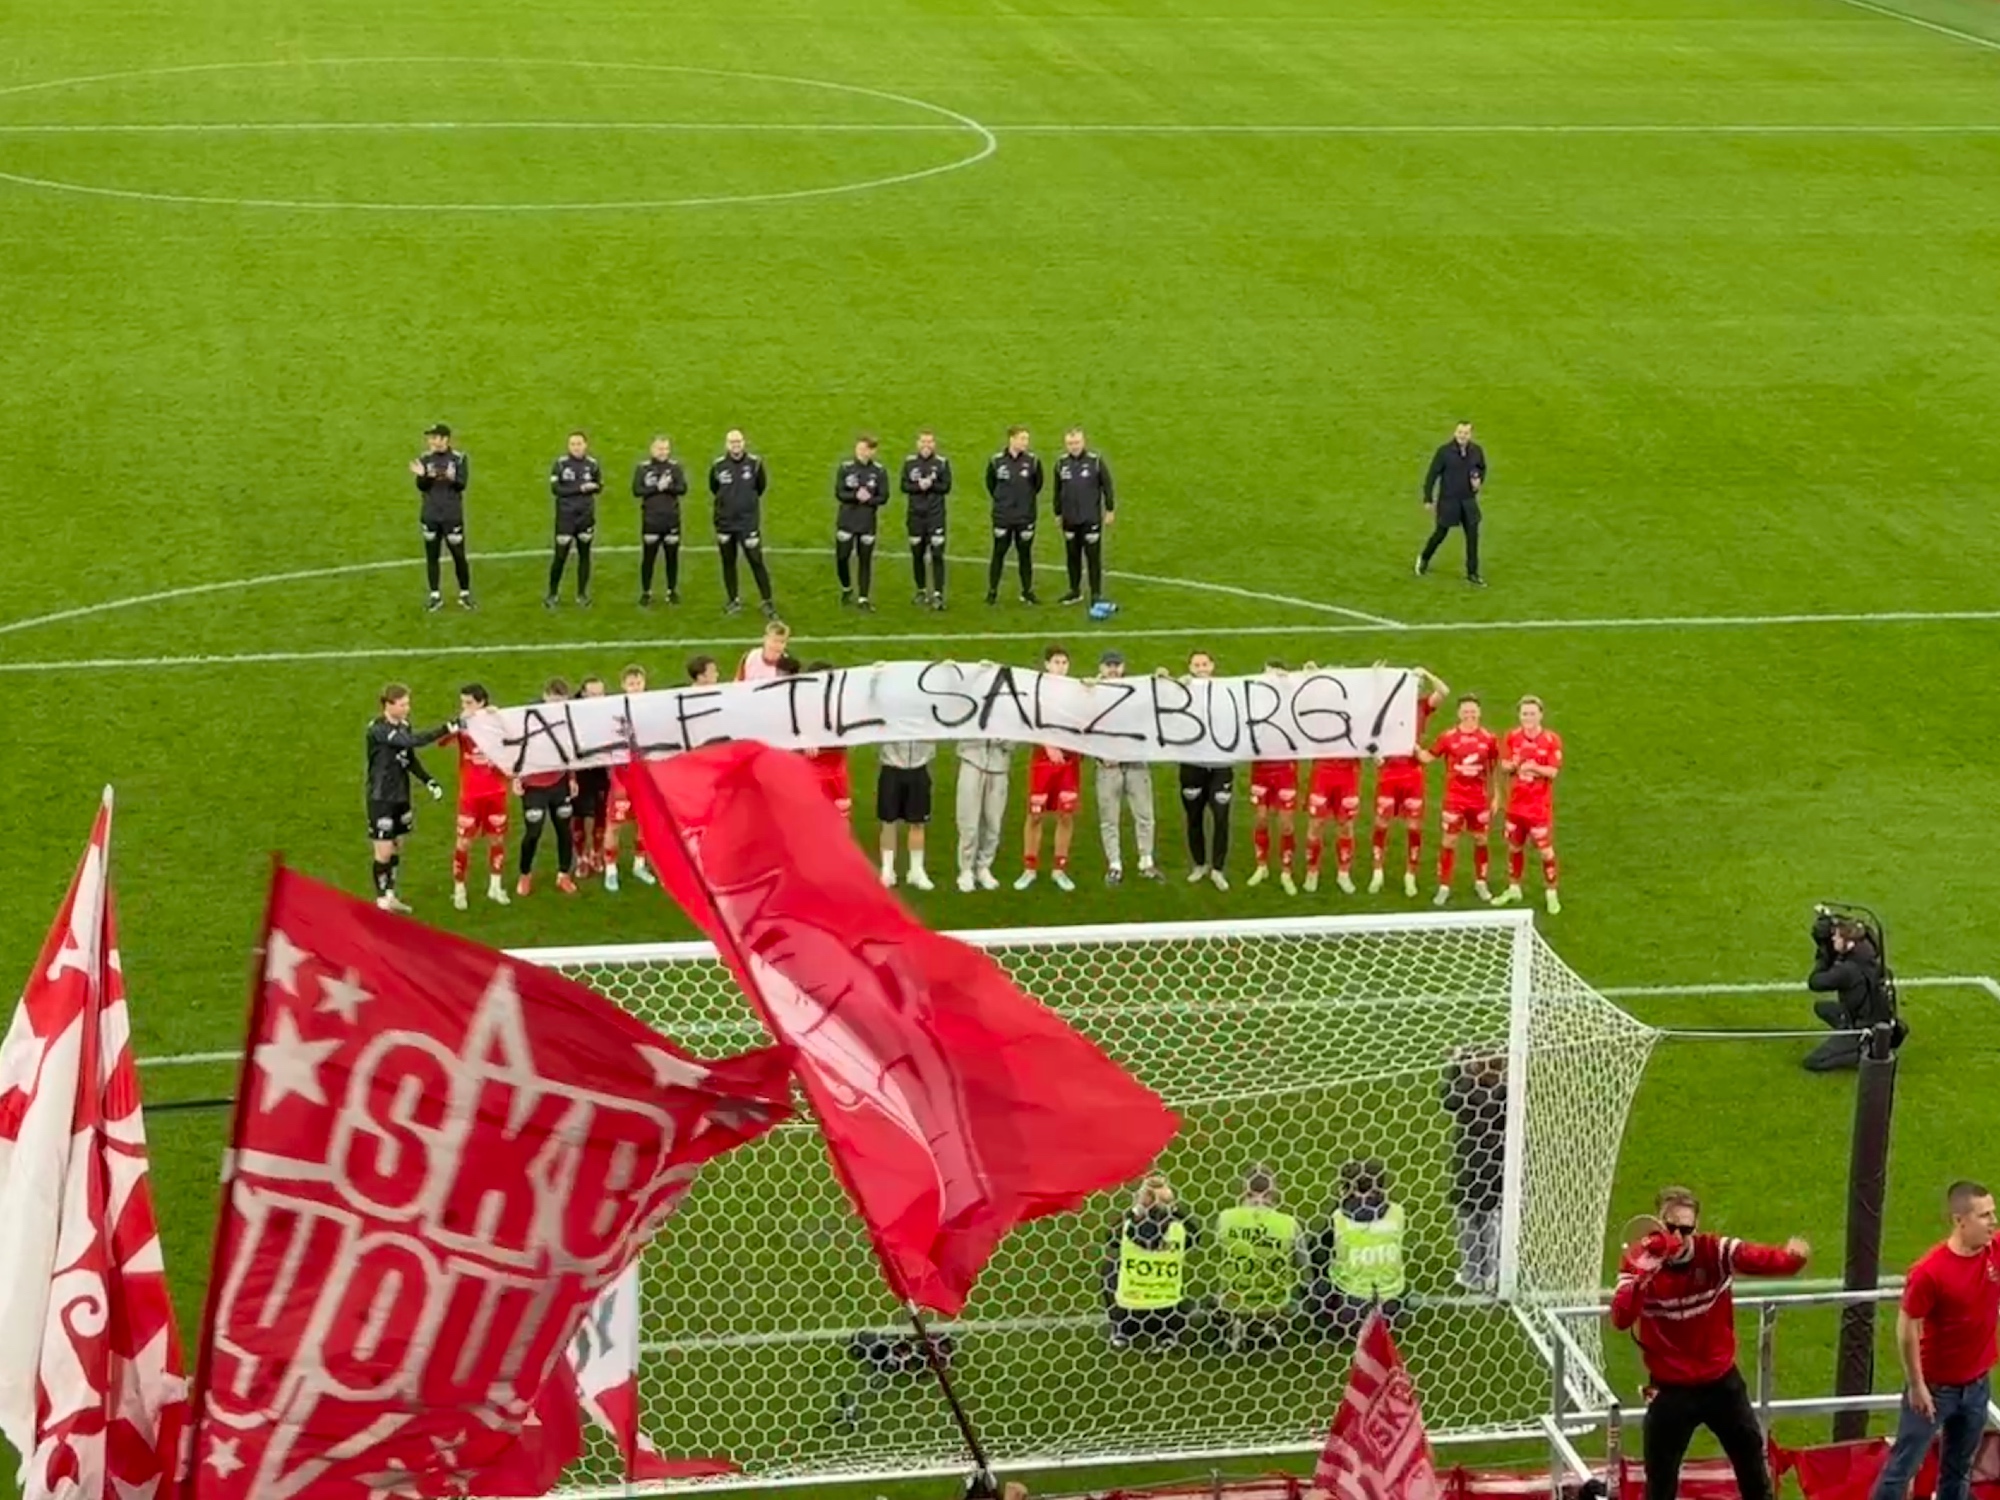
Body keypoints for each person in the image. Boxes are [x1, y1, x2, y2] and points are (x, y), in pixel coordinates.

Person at [1609, 1186, 1809, 1500]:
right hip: (1669, 1389)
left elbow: (1760, 1259)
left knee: (1753, 1467)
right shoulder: (1638, 1260)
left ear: (1696, 1227)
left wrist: (1792, 1259)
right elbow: (1621, 1318)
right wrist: (1642, 1278)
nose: (1678, 1236)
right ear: (1657, 1224)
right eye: (1670, 1228)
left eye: (1686, 1229)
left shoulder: (1714, 1252)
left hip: (1721, 1384)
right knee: (1659, 1482)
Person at [1869, 1181, 2000, 1500]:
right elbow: (1907, 1328)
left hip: (1977, 1385)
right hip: (1935, 1389)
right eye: (1984, 1215)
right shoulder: (1929, 1272)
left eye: (1993, 1213)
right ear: (1960, 1220)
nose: (1993, 1222)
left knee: (1959, 1470)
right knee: (1902, 1469)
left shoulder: (1993, 1251)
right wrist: (1917, 1386)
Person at [365, 684, 450, 913]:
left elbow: (408, 758)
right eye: (402, 705)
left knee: (396, 847)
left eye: (407, 703)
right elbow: (411, 742)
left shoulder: (404, 726)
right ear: (388, 705)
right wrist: (446, 729)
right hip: (381, 797)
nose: (407, 708)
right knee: (383, 852)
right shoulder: (378, 729)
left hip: (401, 795)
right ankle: (381, 900)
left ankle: (390, 894)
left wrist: (428, 781)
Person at [1370, 666, 1448, 897]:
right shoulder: (1384, 707)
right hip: (1388, 774)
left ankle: (1410, 875)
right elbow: (1368, 735)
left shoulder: (1422, 706)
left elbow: (1443, 691)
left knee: (1414, 827)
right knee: (1381, 824)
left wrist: (1427, 673)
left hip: (1413, 775)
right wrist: (1376, 676)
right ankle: (1377, 872)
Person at [1308, 1160, 1406, 1343]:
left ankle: (1323, 1330)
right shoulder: (1397, 1212)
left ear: (1346, 1188)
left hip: (1352, 1313)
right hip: (1393, 1311)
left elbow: (1317, 1254)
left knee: (1318, 1284)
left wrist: (1342, 1203)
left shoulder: (1339, 1218)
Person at [1102, 1173, 1201, 1352]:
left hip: (1130, 1315)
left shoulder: (1126, 1228)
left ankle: (1121, 1332)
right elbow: (1195, 1236)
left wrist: (1137, 1209)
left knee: (1111, 1266)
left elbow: (1110, 1238)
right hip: (1168, 1316)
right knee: (1186, 1292)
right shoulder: (1179, 1230)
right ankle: (1168, 1337)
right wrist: (1173, 1208)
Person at [1213, 1166, 1307, 1352]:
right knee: (1300, 1296)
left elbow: (1219, 1252)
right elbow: (1303, 1264)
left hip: (1233, 1301)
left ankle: (1237, 1324)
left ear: (1244, 1190)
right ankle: (1268, 1326)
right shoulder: (1289, 1223)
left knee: (1214, 1294)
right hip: (1276, 1304)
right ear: (1274, 1191)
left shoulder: (1225, 1218)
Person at [1421, 694, 1501, 905]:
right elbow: (1427, 757)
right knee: (1449, 841)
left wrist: (1497, 795)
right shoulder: (1448, 737)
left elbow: (1494, 768)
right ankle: (1444, 886)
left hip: (1479, 799)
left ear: (1479, 712)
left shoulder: (1489, 738)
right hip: (1455, 799)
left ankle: (1481, 882)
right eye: (1465, 711)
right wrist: (1410, 747)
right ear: (1459, 713)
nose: (1469, 715)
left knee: (1481, 839)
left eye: (1473, 711)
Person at [1092, 651, 1161, 885]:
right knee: (1109, 818)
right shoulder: (1090, 693)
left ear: (1123, 667)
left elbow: (1153, 714)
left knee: (1144, 814)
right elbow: (1084, 730)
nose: (1113, 669)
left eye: (1116, 665)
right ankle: (1114, 864)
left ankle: (1146, 861)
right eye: (1108, 665)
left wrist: (1161, 677)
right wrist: (1100, 754)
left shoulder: (1138, 690)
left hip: (1136, 763)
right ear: (1101, 668)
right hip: (1107, 766)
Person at [1015, 645, 1079, 891]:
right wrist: (1048, 745)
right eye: (1056, 662)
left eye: (1064, 662)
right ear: (1047, 665)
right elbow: (1029, 721)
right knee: (1035, 815)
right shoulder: (1037, 690)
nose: (1061, 667)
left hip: (1068, 764)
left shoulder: (1076, 692)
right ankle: (1029, 868)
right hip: (1042, 763)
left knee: (1066, 815)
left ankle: (1059, 869)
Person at [442, 683, 510, 910]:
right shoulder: (463, 725)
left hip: (496, 792)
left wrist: (499, 718)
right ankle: (459, 889)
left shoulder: (495, 723)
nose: (465, 707)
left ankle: (495, 887)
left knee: (497, 840)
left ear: (481, 702)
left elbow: (516, 740)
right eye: (463, 703)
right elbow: (442, 742)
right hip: (470, 795)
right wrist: (458, 723)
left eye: (469, 703)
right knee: (463, 842)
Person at [1442, 1050, 1506, 1291]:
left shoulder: (1467, 1093)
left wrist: (1456, 1065)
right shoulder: (1505, 1093)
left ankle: (1472, 1275)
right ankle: (1492, 1272)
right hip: (1498, 1163)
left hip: (1470, 1165)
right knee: (1492, 1218)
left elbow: (1448, 1097)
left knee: (1469, 1219)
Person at [1804, 915, 1902, 1072]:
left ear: (1849, 943)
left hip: (1864, 1030)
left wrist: (1823, 951)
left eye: (1836, 937)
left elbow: (1815, 982)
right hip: (1880, 1022)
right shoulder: (1869, 956)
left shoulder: (1848, 970)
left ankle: (1865, 1049)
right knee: (1822, 1008)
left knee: (1814, 1062)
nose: (1833, 939)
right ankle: (1873, 1039)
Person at [1493, 695, 1563, 913]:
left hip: (1538, 808)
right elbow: (1503, 765)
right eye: (1524, 714)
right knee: (1514, 847)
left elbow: (1553, 771)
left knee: (1546, 852)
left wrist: (1534, 768)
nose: (1528, 718)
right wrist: (1513, 765)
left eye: (1532, 713)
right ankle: (1514, 888)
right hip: (1515, 806)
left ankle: (1551, 893)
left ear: (1540, 715)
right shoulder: (1512, 737)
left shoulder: (1551, 740)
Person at [1174, 649, 1233, 891]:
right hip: (1192, 765)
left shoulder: (1227, 691)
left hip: (1220, 765)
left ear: (1212, 666)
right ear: (1190, 668)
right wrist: (1175, 686)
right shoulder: (1181, 691)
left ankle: (1218, 869)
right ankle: (1199, 864)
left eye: (1204, 664)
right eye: (1196, 665)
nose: (1201, 669)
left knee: (1221, 818)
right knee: (1194, 817)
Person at [515, 677, 579, 898]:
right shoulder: (529, 719)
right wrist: (517, 777)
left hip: (559, 783)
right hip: (534, 786)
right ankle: (525, 874)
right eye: (554, 702)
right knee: (533, 833)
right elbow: (516, 749)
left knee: (564, 830)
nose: (557, 707)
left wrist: (572, 778)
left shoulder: (566, 719)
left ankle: (563, 874)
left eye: (561, 702)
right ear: (545, 697)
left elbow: (570, 750)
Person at [599, 665, 656, 891]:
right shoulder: (615, 711)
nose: (636, 687)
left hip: (645, 777)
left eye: (639, 683)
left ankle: (639, 865)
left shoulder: (652, 708)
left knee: (644, 824)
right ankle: (610, 869)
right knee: (614, 824)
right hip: (622, 778)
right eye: (631, 684)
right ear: (623, 685)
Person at [1247, 661, 1302, 894]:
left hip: (1285, 772)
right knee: (1261, 819)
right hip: (1261, 771)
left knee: (1286, 824)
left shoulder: (1293, 703)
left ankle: (1286, 872)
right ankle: (1261, 866)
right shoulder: (1254, 703)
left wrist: (1292, 681)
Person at [710, 428, 777, 618]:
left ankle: (767, 601)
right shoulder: (718, 466)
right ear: (727, 444)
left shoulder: (755, 464)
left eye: (738, 441)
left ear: (744, 443)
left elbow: (760, 487)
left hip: (747, 523)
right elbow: (715, 489)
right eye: (732, 442)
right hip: (725, 523)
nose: (736, 445)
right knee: (728, 562)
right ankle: (733, 600)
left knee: (756, 561)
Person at [410, 422, 472, 612]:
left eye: (435, 437)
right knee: (432, 556)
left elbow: (462, 484)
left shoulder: (459, 459)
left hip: (451, 515)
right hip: (430, 514)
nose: (431, 441)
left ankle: (465, 593)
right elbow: (421, 486)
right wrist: (424, 476)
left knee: (459, 556)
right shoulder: (425, 458)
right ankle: (435, 595)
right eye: (430, 438)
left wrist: (449, 476)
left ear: (445, 439)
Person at [1417, 421, 1488, 587]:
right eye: (1460, 432)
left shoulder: (1476, 451)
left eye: (1466, 433)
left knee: (1472, 536)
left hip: (1468, 501)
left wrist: (1479, 480)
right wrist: (1428, 498)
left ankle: (1472, 573)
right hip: (1449, 501)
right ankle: (1424, 558)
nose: (1462, 436)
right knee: (1440, 533)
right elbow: (1432, 475)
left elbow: (1481, 468)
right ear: (1455, 433)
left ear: (1470, 434)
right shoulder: (1444, 452)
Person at [1053, 427, 1115, 608]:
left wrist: (1110, 510)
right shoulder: (1061, 464)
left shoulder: (1095, 461)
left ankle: (1096, 593)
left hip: (1090, 518)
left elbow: (1107, 486)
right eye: (1070, 443)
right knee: (1072, 557)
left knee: (1093, 558)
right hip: (1070, 519)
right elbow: (1057, 490)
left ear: (1083, 442)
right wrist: (1058, 513)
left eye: (1077, 442)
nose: (1074, 446)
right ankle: (1074, 591)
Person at [984, 426, 1043, 606]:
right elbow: (991, 484)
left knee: (1025, 555)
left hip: (1025, 517)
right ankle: (992, 591)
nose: (1025, 442)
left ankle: (1027, 591)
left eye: (1026, 439)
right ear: (1012, 439)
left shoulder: (1033, 462)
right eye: (1022, 439)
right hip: (1003, 516)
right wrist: (1003, 502)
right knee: (998, 553)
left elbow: (1037, 485)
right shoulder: (996, 461)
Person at [955, 708, 1012, 893]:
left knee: (993, 822)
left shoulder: (1009, 702)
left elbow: (1019, 730)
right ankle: (966, 870)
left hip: (1000, 765)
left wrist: (1003, 739)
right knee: (968, 820)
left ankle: (984, 867)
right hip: (971, 760)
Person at [545, 430, 602, 608]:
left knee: (584, 555)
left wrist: (594, 487)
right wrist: (581, 489)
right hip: (566, 517)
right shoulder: (560, 464)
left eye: (579, 444)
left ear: (585, 445)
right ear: (568, 446)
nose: (576, 447)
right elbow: (556, 489)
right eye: (573, 444)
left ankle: (582, 594)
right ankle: (552, 593)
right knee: (560, 556)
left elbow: (599, 486)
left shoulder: (592, 464)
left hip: (585, 516)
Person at [833, 435, 890, 611]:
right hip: (847, 520)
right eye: (859, 448)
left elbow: (884, 497)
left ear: (872, 452)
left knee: (865, 560)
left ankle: (863, 598)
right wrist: (855, 496)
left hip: (867, 521)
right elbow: (839, 493)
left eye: (865, 449)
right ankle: (846, 587)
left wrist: (869, 499)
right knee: (842, 557)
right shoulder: (846, 468)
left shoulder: (879, 472)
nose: (860, 452)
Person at [632, 435, 688, 607]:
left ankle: (671, 591)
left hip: (671, 519)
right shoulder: (643, 468)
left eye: (665, 448)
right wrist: (657, 487)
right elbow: (637, 490)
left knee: (672, 558)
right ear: (652, 450)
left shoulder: (675, 468)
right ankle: (646, 592)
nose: (663, 452)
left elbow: (682, 488)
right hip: (651, 520)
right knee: (648, 558)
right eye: (659, 448)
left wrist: (668, 486)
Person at [901, 429, 952, 609]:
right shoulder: (909, 463)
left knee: (937, 554)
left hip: (935, 516)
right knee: (917, 554)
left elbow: (946, 487)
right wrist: (918, 486)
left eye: (929, 442)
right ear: (918, 444)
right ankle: (921, 590)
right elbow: (904, 486)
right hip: (915, 515)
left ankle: (938, 594)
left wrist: (932, 485)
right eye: (923, 441)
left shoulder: (942, 463)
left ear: (934, 444)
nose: (926, 445)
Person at [876, 736, 936, 890]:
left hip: (919, 766)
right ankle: (887, 870)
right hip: (891, 766)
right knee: (888, 821)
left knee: (918, 822)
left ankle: (916, 870)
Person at [799, 660, 854, 822]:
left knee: (838, 821)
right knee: (810, 820)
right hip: (810, 773)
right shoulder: (799, 707)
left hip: (836, 773)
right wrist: (803, 740)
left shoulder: (840, 705)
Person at [571, 677, 610, 880]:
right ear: (583, 694)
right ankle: (581, 857)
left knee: (601, 814)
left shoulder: (610, 711)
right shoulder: (571, 712)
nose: (597, 698)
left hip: (602, 771)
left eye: (600, 694)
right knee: (578, 816)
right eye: (592, 694)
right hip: (580, 772)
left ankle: (596, 853)